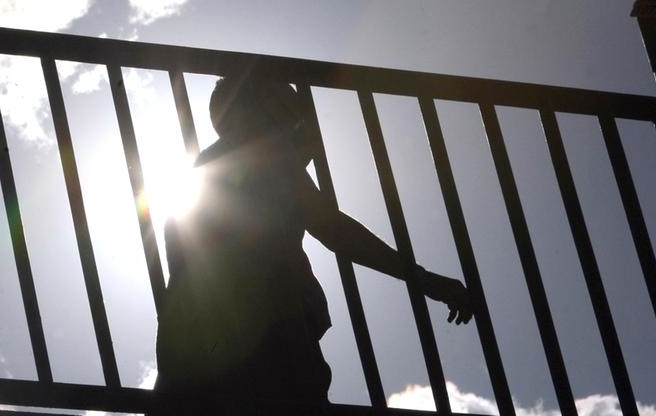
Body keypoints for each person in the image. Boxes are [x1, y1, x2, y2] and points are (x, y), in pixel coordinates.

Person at [153, 75, 474, 414]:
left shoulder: (202, 172)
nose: (293, 121)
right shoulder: (265, 161)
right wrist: (424, 279)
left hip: (193, 358)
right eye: (284, 108)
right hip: (265, 350)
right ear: (250, 110)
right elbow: (335, 230)